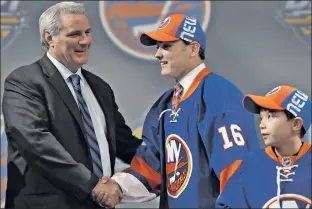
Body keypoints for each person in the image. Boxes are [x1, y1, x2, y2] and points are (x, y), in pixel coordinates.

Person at [94, 14, 260, 209]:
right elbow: (150, 168)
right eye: (157, 47)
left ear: (193, 49)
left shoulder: (219, 95)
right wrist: (118, 187)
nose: (157, 54)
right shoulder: (164, 106)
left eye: (166, 46)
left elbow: (237, 171)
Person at [2, 2, 141, 209]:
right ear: (50, 38)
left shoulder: (100, 87)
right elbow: (36, 143)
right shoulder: (24, 81)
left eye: (87, 32)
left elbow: (125, 143)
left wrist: (167, 165)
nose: (85, 41)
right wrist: (93, 186)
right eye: (75, 34)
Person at [216, 85, 311, 208]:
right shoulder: (250, 165)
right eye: (261, 118)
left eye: (269, 117)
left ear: (296, 124)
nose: (261, 125)